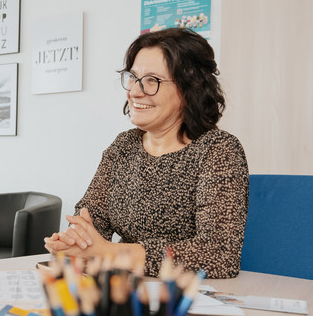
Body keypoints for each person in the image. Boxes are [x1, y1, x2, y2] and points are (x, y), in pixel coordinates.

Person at [44, 28, 248, 278]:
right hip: (123, 287)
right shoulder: (124, 145)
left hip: (189, 295)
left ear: (189, 88)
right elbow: (90, 218)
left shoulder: (219, 150)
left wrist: (111, 253)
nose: (135, 91)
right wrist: (76, 242)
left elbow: (219, 254)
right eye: (133, 77)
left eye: (153, 80)